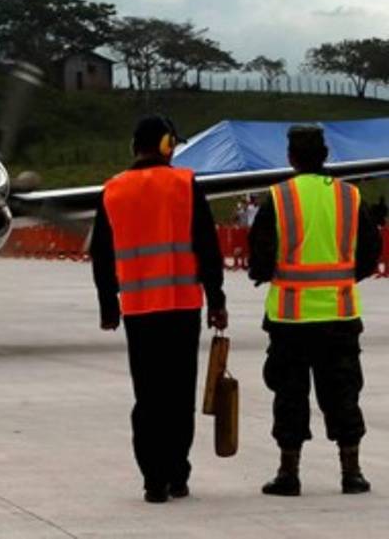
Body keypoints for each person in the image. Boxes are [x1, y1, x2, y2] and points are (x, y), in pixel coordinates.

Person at [90, 114, 227, 503]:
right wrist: (216, 300)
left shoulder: (113, 189)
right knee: (179, 394)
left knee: (148, 396)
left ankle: (153, 479)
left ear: (134, 146)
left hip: (138, 309)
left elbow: (101, 253)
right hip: (183, 307)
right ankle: (177, 474)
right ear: (168, 145)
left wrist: (107, 303)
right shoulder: (185, 184)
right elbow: (207, 247)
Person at [249, 124, 382, 496]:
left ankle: (288, 473)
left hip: (290, 319)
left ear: (291, 157)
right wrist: (342, 277)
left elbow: (259, 256)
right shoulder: (350, 197)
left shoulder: (278, 198)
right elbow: (371, 252)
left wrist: (266, 273)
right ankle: (351, 472)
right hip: (339, 316)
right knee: (343, 392)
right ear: (325, 156)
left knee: (290, 395)